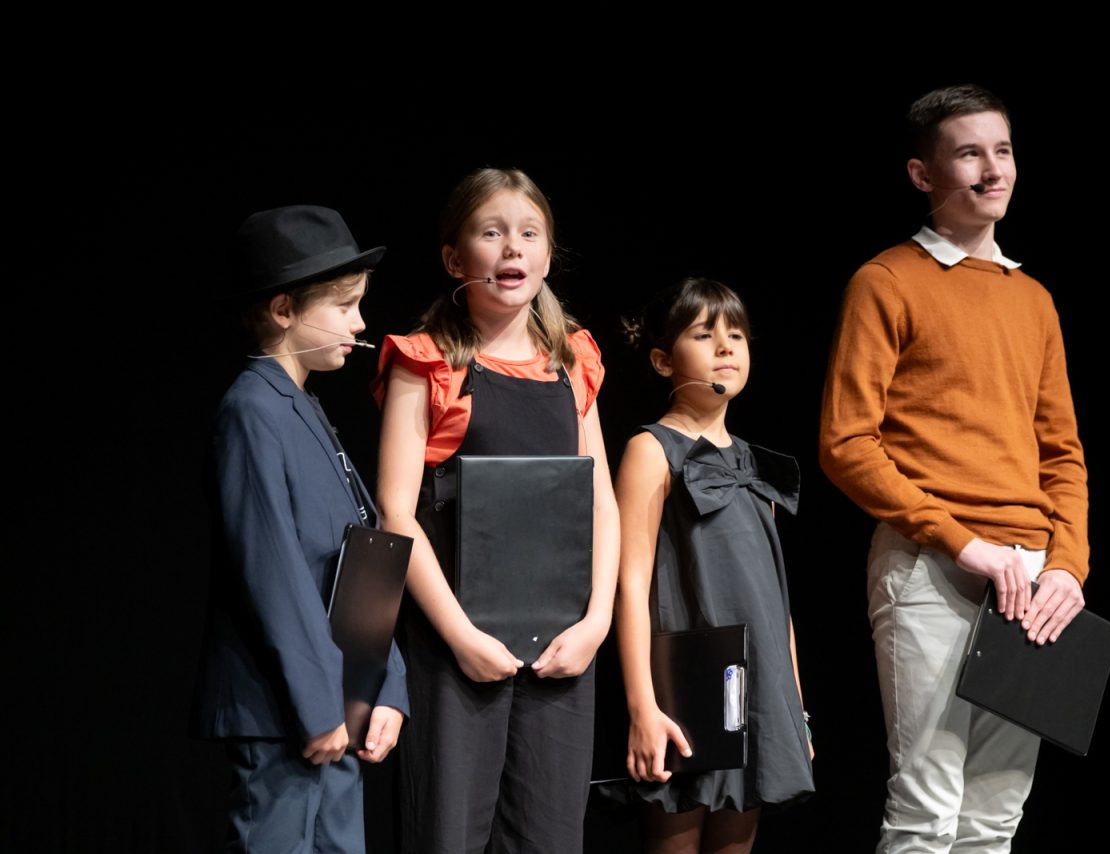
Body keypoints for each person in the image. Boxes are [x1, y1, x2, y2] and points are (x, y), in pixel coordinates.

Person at [818, 84, 1090, 853]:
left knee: (997, 817)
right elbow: (846, 442)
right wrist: (962, 543)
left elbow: (1062, 453)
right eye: (969, 153)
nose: (993, 169)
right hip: (932, 567)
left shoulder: (1033, 299)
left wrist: (1067, 567)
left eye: (1002, 150)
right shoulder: (887, 281)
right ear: (922, 174)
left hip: (1033, 580)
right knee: (926, 811)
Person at [374, 167, 620, 854]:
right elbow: (396, 512)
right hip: (456, 650)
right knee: (447, 833)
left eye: (529, 234)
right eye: (491, 232)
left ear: (548, 255)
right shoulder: (428, 363)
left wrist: (596, 622)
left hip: (561, 650)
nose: (512, 248)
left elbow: (599, 498)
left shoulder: (572, 361)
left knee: (548, 836)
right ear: (455, 259)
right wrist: (461, 638)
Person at [192, 204, 408, 852]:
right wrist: (318, 706)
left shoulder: (304, 407)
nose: (360, 323)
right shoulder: (252, 409)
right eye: (344, 305)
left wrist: (386, 685)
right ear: (284, 309)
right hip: (286, 709)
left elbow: (362, 561)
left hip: (337, 700)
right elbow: (275, 571)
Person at [604, 278, 814, 853]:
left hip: (754, 689)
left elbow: (775, 599)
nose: (726, 347)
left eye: (737, 335)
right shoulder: (652, 450)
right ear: (662, 360)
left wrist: (794, 708)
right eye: (704, 335)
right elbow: (629, 585)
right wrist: (643, 707)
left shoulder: (752, 464)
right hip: (686, 688)